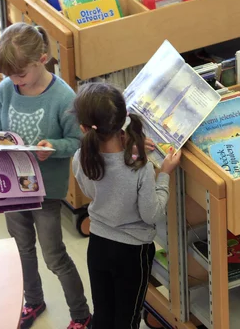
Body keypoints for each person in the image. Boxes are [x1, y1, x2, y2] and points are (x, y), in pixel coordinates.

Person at [0, 22, 91, 329]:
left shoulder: (63, 96)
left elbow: (78, 140)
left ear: (42, 59)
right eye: (9, 75)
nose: (15, 81)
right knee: (21, 250)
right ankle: (33, 301)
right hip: (11, 186)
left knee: (54, 256)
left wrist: (53, 147)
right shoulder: (7, 88)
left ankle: (81, 315)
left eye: (20, 74)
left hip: (46, 191)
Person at [71, 83, 181, 329]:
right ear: (123, 122)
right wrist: (164, 174)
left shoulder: (81, 158)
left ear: (84, 129)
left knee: (103, 316)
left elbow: (91, 191)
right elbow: (151, 214)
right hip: (131, 253)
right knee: (126, 321)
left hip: (98, 246)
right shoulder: (139, 167)